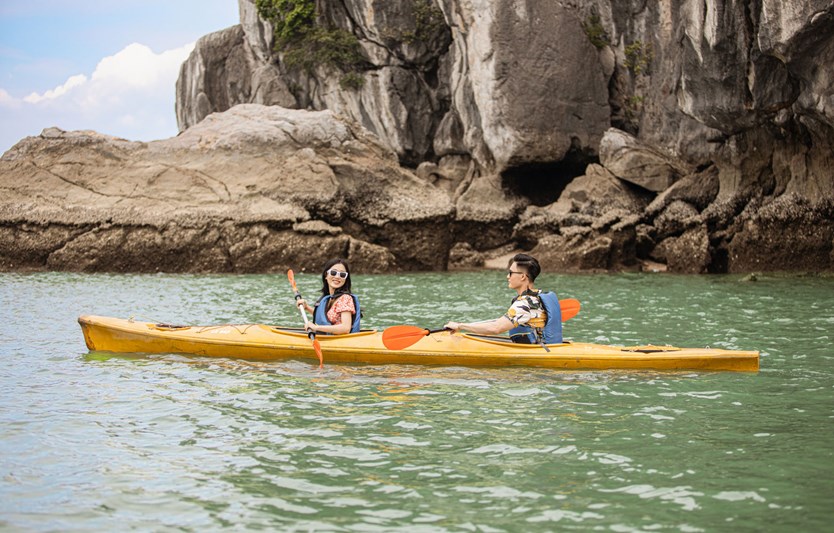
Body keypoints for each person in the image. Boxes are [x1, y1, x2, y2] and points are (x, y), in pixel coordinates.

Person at [443, 253, 562, 345]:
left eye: (511, 273)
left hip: (536, 352)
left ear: (522, 277)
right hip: (546, 346)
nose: (507, 276)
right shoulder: (537, 296)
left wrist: (460, 326)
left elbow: (496, 328)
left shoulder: (524, 304)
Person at [297, 258, 361, 335]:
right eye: (333, 272)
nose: (337, 277)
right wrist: (307, 307)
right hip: (328, 338)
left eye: (342, 274)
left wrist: (316, 327)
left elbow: (345, 328)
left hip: (340, 340)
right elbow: (324, 317)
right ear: (326, 275)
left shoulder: (345, 298)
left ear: (345, 279)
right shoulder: (329, 298)